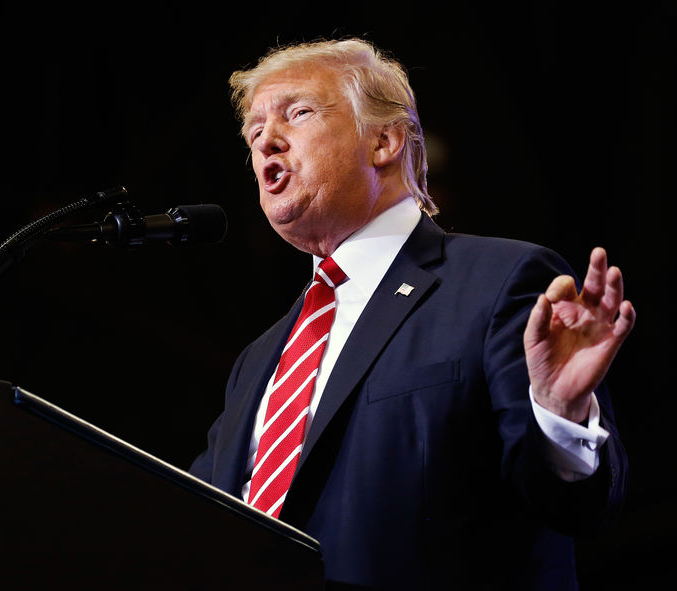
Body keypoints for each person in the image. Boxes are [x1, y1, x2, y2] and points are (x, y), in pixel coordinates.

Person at [190, 38, 635, 590]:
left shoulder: (499, 282)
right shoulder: (259, 360)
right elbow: (192, 527)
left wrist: (558, 414)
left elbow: (578, 509)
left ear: (384, 139)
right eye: (253, 134)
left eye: (298, 113)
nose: (266, 143)